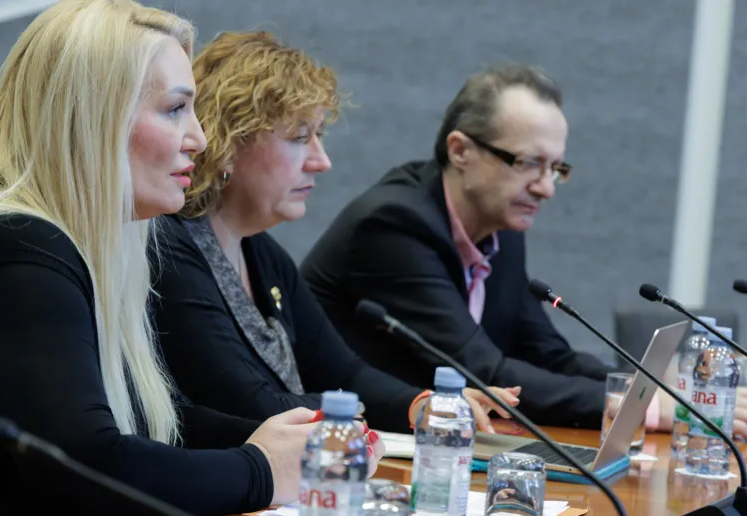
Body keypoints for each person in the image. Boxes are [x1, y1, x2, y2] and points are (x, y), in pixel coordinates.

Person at [0, 0, 361, 516]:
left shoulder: (96, 241)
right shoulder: (12, 249)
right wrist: (264, 469)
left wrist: (282, 440)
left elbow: (156, 417)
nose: (199, 139)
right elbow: (86, 465)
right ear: (93, 116)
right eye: (175, 109)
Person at [300, 64, 747, 440]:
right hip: (350, 444)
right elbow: (484, 371)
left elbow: (547, 353)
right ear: (461, 150)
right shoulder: (392, 226)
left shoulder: (501, 225)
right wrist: (652, 407)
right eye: (529, 163)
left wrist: (654, 390)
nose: (547, 188)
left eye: (556, 168)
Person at [149, 31, 520, 436]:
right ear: (225, 143)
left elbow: (343, 371)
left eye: (319, 136)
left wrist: (422, 404)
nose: (321, 162)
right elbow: (251, 403)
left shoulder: (263, 253)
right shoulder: (171, 246)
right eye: (298, 138)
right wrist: (351, 412)